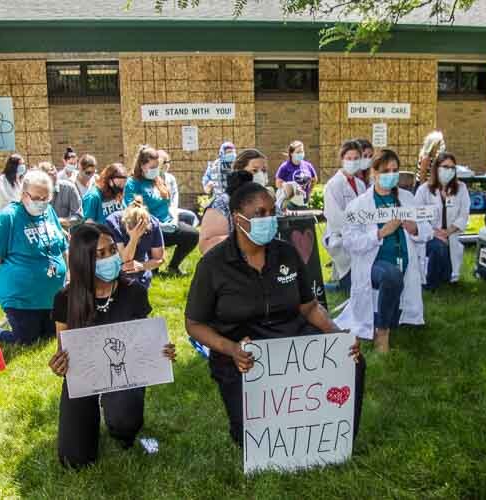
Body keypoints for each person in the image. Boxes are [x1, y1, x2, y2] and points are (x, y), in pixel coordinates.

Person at [185, 180, 365, 446]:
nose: (268, 219)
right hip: (243, 352)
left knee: (353, 361)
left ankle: (338, 435)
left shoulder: (287, 254)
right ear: (239, 219)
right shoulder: (214, 264)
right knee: (249, 438)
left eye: (271, 212)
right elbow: (194, 324)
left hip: (291, 341)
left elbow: (310, 307)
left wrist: (338, 337)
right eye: (260, 213)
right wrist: (231, 348)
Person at [48, 224, 176, 468]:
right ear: (83, 260)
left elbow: (144, 341)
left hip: (123, 373)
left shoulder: (134, 291)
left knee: (125, 425)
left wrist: (161, 351)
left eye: (111, 250)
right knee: (73, 459)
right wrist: (59, 364)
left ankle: (120, 421)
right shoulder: (65, 298)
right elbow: (63, 350)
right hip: (84, 376)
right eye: (99, 254)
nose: (109, 258)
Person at [335, 149, 432, 353]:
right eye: (386, 170)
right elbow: (351, 241)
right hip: (374, 264)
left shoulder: (407, 198)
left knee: (397, 290)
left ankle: (390, 317)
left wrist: (414, 228)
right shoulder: (359, 205)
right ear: (374, 173)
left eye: (395, 170)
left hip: (404, 261)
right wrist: (380, 233)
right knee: (392, 276)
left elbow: (427, 229)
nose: (391, 175)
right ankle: (382, 331)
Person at [0, 169, 68, 345]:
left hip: (52, 297)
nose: (42, 203)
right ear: (23, 195)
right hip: (21, 298)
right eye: (37, 198)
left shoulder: (49, 212)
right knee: (26, 340)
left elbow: (62, 246)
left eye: (46, 198)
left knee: (51, 337)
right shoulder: (8, 218)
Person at [124, 145, 198, 275]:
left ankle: (173, 267)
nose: (155, 170)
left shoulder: (157, 180)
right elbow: (133, 211)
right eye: (152, 167)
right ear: (142, 165)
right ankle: (153, 263)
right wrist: (155, 224)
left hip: (167, 224)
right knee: (153, 272)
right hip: (148, 229)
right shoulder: (133, 183)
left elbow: (168, 204)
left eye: (156, 167)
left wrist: (173, 219)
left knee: (192, 235)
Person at [414, 153, 470, 288]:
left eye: (452, 168)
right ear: (436, 168)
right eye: (445, 167)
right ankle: (430, 284)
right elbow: (416, 216)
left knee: (448, 275)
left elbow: (464, 214)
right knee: (438, 247)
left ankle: (446, 275)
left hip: (451, 235)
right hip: (429, 236)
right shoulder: (424, 190)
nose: (449, 171)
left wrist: (447, 232)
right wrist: (435, 233)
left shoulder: (461, 188)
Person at [198, 149, 267, 255]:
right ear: (239, 171)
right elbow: (206, 246)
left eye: (264, 171)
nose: (260, 175)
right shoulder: (222, 204)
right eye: (255, 170)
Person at [323, 140, 368, 292]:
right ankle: (337, 286)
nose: (353, 162)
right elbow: (335, 218)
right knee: (351, 286)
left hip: (359, 234)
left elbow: (366, 211)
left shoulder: (360, 184)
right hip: (339, 236)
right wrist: (355, 234)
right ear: (342, 160)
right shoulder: (333, 185)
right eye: (349, 159)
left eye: (356, 159)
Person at [106, 196, 165, 289]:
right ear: (125, 224)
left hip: (141, 273)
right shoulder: (113, 222)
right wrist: (134, 238)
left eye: (142, 233)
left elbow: (159, 259)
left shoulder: (153, 224)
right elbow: (125, 259)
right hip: (116, 273)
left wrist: (142, 266)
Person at [159, 149, 199, 227]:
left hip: (171, 209)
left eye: (168, 162)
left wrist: (173, 208)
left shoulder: (171, 178)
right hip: (158, 212)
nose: (167, 165)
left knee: (191, 216)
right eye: (164, 162)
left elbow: (175, 194)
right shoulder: (152, 179)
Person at [38, 162, 82, 229]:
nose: (54, 176)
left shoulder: (69, 188)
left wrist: (58, 221)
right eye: (50, 175)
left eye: (55, 173)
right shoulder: (36, 192)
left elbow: (79, 216)